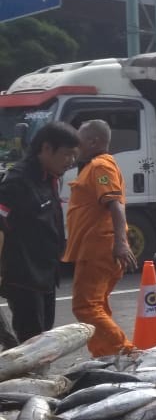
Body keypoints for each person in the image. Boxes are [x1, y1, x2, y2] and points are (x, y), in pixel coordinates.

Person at [63, 120, 138, 357]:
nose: (75, 146)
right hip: (96, 246)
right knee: (98, 305)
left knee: (85, 307)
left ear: (94, 142)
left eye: (79, 140)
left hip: (98, 247)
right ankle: (105, 355)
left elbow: (115, 205)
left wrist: (120, 242)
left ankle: (124, 351)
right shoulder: (95, 166)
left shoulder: (100, 166)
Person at [0, 122, 80, 343]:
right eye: (67, 154)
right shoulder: (18, 181)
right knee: (32, 339)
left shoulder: (50, 177)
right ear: (46, 149)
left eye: (74, 155)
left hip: (46, 273)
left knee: (44, 334)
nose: (71, 161)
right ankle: (30, 376)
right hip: (24, 275)